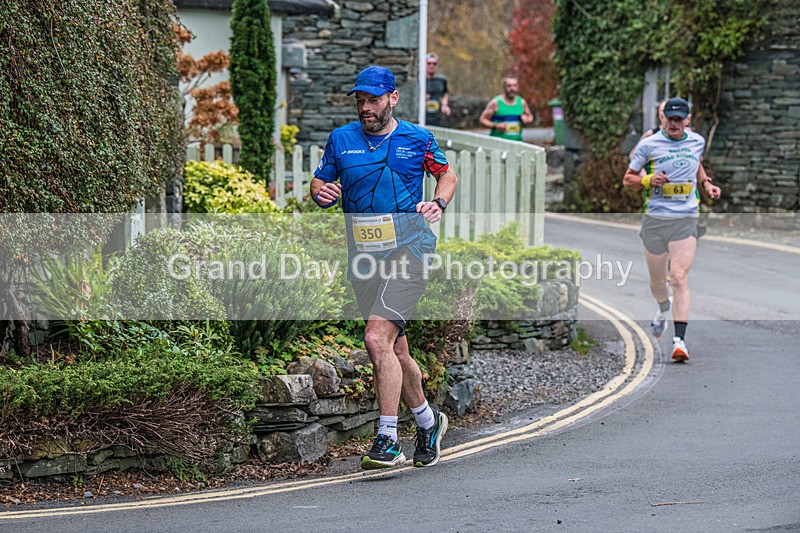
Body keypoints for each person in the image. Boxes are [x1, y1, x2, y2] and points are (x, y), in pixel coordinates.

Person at [310, 66, 458, 470]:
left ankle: (388, 439)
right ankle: (428, 422)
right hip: (364, 258)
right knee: (394, 349)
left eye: (373, 100)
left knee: (376, 339)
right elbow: (319, 181)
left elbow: (447, 175)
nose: (365, 108)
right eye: (360, 100)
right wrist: (321, 192)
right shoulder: (341, 140)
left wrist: (438, 203)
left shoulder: (418, 138)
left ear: (393, 98)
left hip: (411, 251)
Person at [624, 97, 721, 362]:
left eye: (679, 119)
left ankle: (680, 341)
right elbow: (628, 179)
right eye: (670, 119)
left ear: (688, 120)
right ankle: (662, 306)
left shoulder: (697, 141)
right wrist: (648, 179)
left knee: (678, 277)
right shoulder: (649, 144)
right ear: (663, 119)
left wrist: (706, 184)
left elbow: (696, 163)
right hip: (656, 220)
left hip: (685, 218)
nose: (674, 123)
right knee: (658, 283)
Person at [478, 76, 534, 141]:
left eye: (514, 86)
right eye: (509, 86)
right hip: (498, 142)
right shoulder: (495, 102)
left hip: (517, 142)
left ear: (517, 87)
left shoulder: (521, 102)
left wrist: (527, 119)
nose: (512, 88)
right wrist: (496, 126)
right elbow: (482, 119)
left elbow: (530, 117)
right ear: (504, 87)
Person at [425, 53, 450, 126]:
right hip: (424, 118)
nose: (431, 66)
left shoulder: (442, 80)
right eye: (429, 63)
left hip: (438, 118)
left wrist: (445, 105)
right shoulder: (420, 81)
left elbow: (444, 94)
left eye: (434, 64)